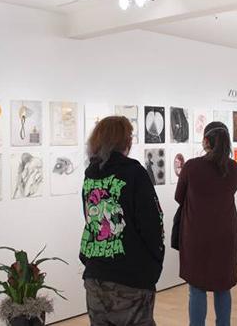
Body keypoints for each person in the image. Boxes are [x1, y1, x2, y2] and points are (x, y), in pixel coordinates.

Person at [79, 116, 165, 325]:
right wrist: (153, 266)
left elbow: (90, 219)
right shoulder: (134, 172)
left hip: (96, 275)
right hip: (131, 278)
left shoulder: (91, 175)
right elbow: (153, 226)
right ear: (124, 141)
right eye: (130, 136)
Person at [175, 121, 237, 326]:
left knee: (197, 288)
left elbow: (179, 197)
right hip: (225, 234)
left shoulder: (192, 167)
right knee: (223, 287)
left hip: (197, 235)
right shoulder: (234, 168)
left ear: (205, 141)